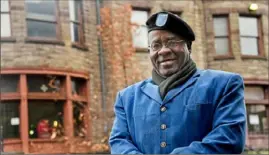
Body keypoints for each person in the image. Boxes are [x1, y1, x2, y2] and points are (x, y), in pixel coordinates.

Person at [109, 11, 246, 154]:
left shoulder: (223, 85)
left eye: (172, 42)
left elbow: (229, 140)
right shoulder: (127, 98)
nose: (163, 51)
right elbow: (119, 143)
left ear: (188, 47)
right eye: (155, 45)